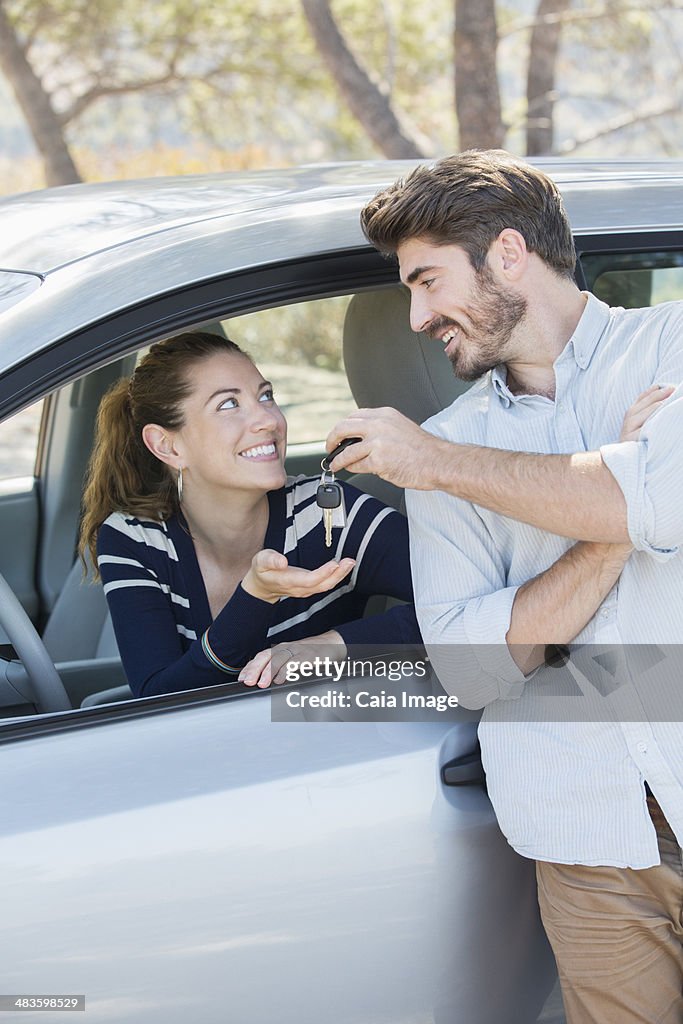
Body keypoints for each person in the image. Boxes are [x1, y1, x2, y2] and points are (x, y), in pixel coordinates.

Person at [325, 151, 683, 1023]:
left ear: (509, 254)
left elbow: (666, 508)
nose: (415, 317)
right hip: (586, 843)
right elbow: (475, 670)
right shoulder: (443, 448)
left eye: (426, 280)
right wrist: (614, 523)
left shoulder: (672, 345)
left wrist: (444, 467)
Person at [79, 330, 421, 697]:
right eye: (229, 404)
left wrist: (332, 646)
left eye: (266, 396)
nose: (269, 420)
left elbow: (469, 610)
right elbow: (158, 700)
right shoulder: (134, 539)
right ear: (167, 445)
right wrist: (255, 596)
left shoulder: (329, 515)